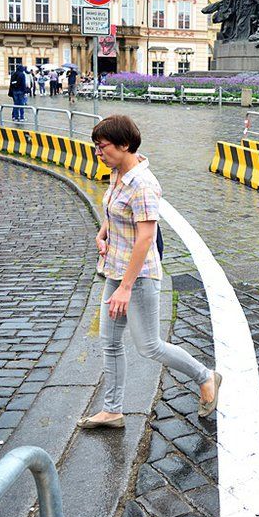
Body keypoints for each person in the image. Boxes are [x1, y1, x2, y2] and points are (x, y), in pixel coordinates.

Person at [78, 115, 220, 429]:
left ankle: (206, 376)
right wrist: (103, 232)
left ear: (124, 145)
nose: (98, 154)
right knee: (110, 342)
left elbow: (146, 236)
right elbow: (116, 211)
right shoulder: (118, 172)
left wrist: (126, 288)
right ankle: (113, 410)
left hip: (138, 277)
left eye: (103, 148)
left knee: (149, 345)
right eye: (97, 148)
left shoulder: (142, 183)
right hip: (115, 268)